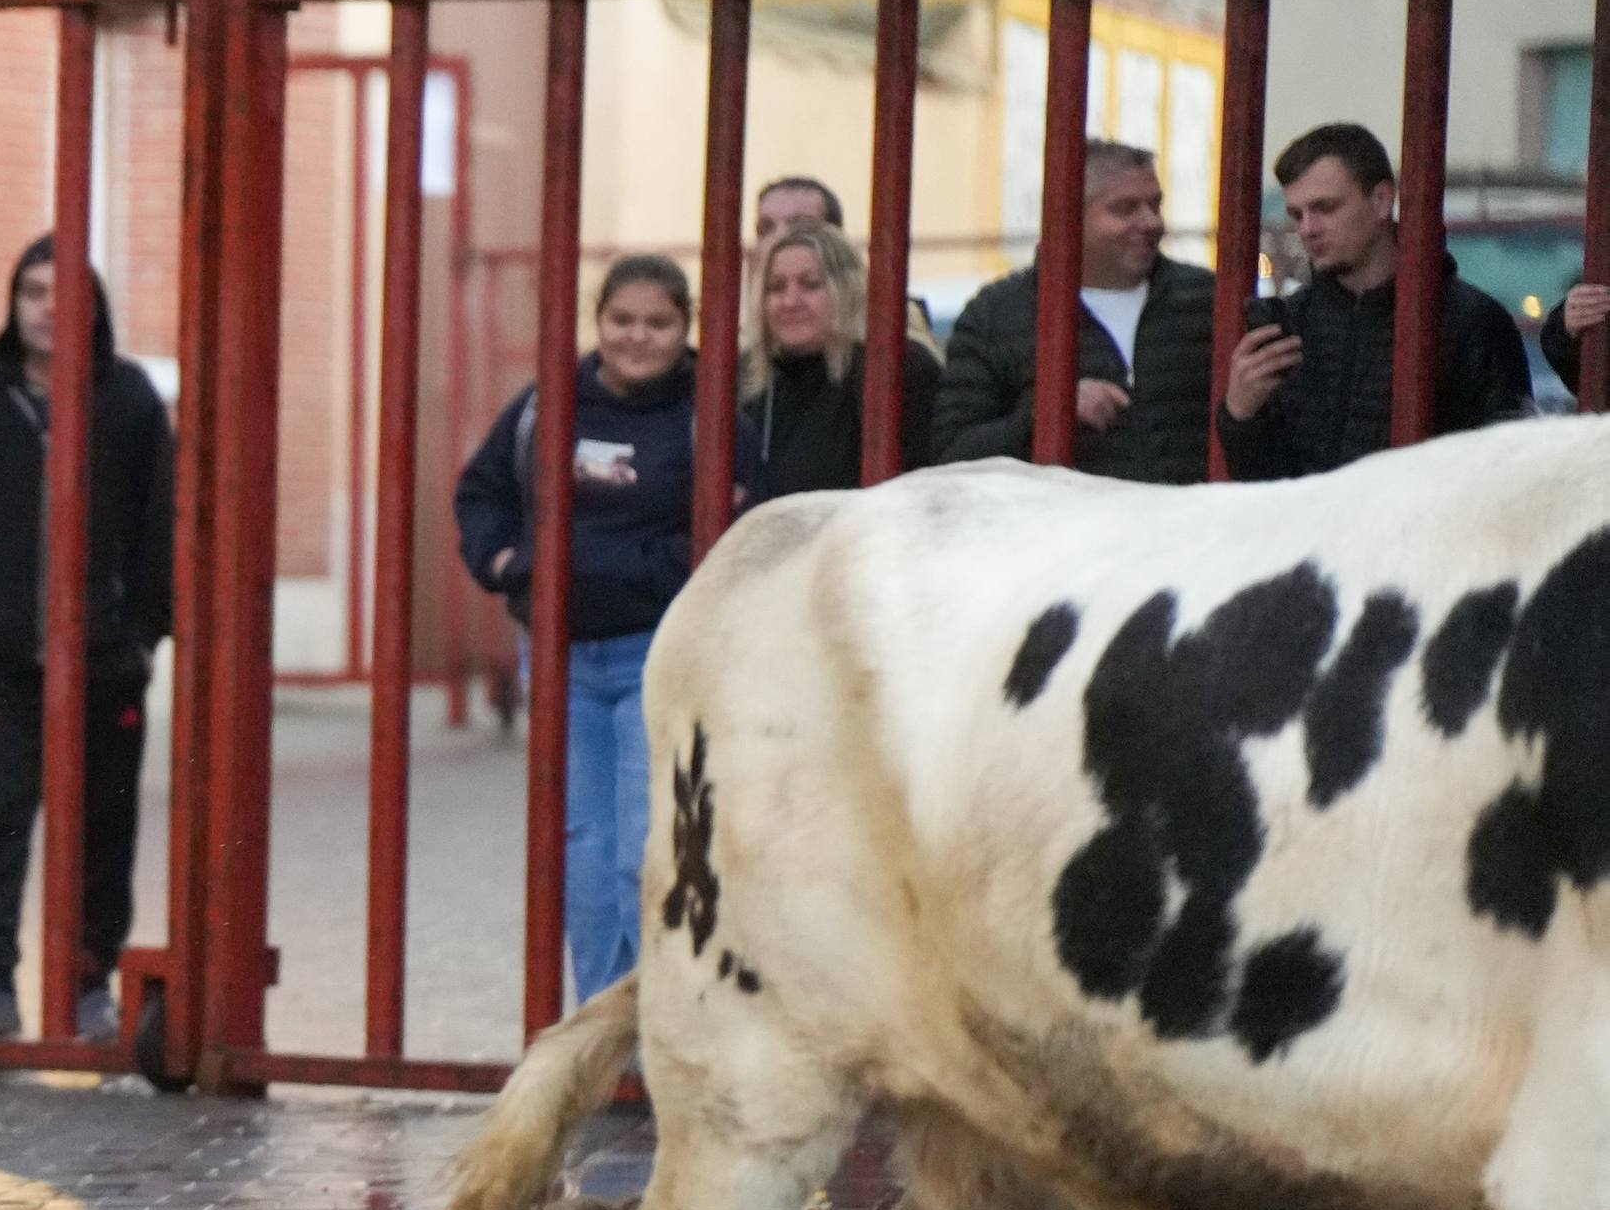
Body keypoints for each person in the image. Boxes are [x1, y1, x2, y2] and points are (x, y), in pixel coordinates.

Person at [0, 234, 176, 1045]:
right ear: (13, 305)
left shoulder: (130, 400)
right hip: (0, 660)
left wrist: (145, 632)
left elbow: (161, 525)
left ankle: (87, 987)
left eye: (65, 294)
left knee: (103, 829)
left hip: (106, 662)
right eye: (33, 292)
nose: (47, 309)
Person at [454, 253, 700, 1006]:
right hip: (559, 659)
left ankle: (659, 1029)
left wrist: (630, 572)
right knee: (582, 856)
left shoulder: (709, 411)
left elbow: (723, 527)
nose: (637, 337)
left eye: (657, 323)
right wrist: (505, 563)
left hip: (655, 656)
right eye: (621, 320)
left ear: (685, 328)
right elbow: (481, 491)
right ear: (598, 321)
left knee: (642, 852)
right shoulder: (548, 402)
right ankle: (604, 1030)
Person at [1218, 123, 1532, 480]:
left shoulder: (1468, 321)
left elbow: (1505, 467)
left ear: (1382, 200)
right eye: (1296, 214)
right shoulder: (1294, 322)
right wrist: (1240, 414)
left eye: (1325, 208)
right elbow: (1265, 483)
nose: (1308, 228)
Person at [932, 140, 1217, 483]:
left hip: (1194, 516)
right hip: (1066, 517)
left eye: (1155, 205)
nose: (1151, 222)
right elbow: (952, 455)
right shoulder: (995, 315)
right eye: (1125, 208)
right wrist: (1045, 414)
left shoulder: (1206, 299)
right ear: (1070, 215)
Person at [738, 219, 944, 502]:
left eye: (811, 285)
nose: (790, 301)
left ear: (848, 290)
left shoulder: (896, 369)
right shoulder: (745, 378)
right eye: (775, 287)